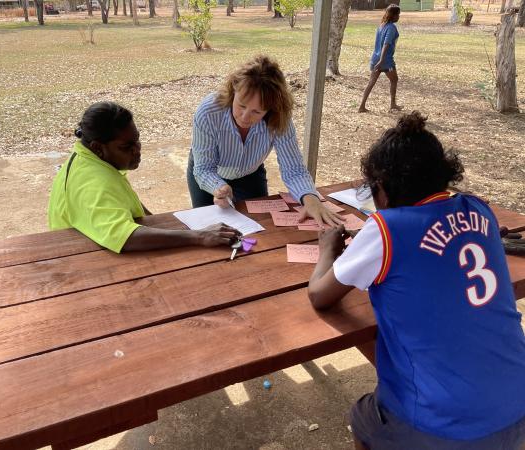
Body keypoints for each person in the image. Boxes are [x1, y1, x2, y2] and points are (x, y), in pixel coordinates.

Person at [307, 112, 525, 449]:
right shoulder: (480, 210)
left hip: (447, 425)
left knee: (364, 416)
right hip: (515, 404)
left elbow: (319, 295)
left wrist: (326, 249)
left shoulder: (386, 228)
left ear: (381, 189)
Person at [48, 101, 241, 253]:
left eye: (137, 140)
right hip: (81, 257)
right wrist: (199, 236)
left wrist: (155, 219)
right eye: (126, 147)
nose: (137, 150)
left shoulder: (89, 158)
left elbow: (120, 199)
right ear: (98, 148)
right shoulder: (92, 182)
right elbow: (124, 237)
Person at [187, 54, 344, 229]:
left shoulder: (279, 118)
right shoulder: (209, 112)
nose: (245, 117)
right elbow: (203, 168)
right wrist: (218, 187)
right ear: (233, 90)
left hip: (250, 173)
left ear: (271, 109)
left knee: (258, 228)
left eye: (257, 112)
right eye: (241, 105)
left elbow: (293, 169)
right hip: (208, 173)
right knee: (207, 231)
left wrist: (311, 199)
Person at [358, 4, 402, 113]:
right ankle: (392, 104)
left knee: (371, 82)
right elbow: (386, 44)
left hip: (375, 58)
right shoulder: (391, 27)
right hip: (386, 61)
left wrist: (378, 60)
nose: (399, 17)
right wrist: (382, 60)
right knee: (394, 79)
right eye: (398, 14)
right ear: (393, 15)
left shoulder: (381, 25)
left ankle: (361, 106)